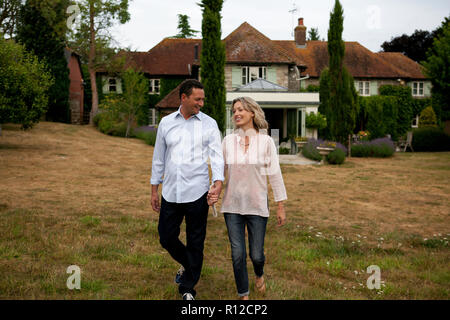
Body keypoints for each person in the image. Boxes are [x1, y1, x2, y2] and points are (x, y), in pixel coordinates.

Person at [150, 79, 224, 300]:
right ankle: (188, 263)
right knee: (166, 237)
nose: (201, 103)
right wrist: (154, 189)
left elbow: (217, 156)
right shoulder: (165, 123)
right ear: (184, 98)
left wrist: (218, 182)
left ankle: (187, 288)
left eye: (202, 99)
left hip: (197, 192)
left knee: (196, 242)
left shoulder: (209, 124)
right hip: (171, 192)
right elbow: (158, 158)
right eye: (197, 99)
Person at [208, 96, 287, 300]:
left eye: (241, 109)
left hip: (257, 205)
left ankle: (259, 273)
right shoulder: (227, 141)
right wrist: (215, 189)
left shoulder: (266, 141)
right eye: (234, 110)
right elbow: (221, 171)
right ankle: (244, 294)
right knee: (237, 254)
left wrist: (280, 206)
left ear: (252, 113)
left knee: (256, 255)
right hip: (232, 205)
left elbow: (275, 174)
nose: (237, 113)